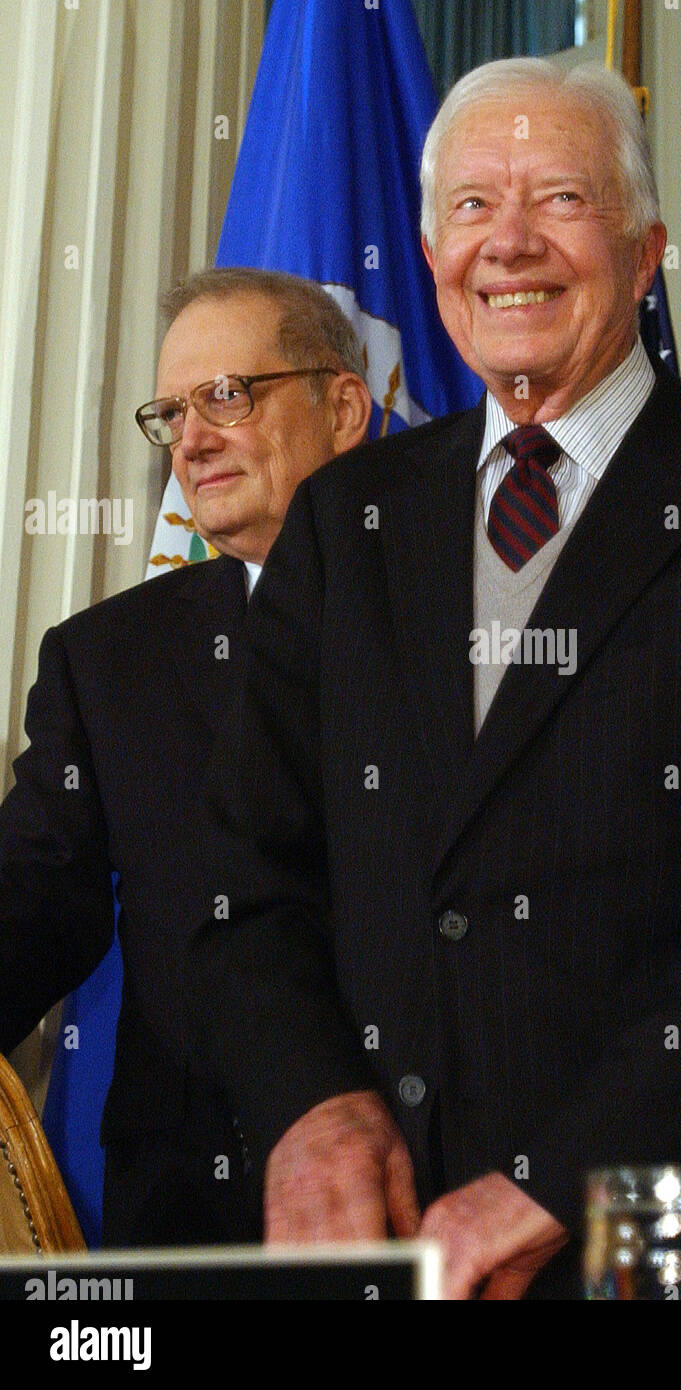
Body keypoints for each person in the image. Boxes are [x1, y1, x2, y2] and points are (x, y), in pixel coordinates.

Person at [194, 60, 681, 1299]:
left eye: (559, 198)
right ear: (428, 255)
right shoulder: (341, 520)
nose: (509, 242)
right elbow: (244, 874)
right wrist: (311, 1103)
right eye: (472, 206)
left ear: (645, 252)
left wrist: (557, 1178)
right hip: (398, 1234)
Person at [0, 267, 371, 1245]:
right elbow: (33, 894)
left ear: (342, 406)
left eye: (227, 396)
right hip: (187, 1209)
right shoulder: (104, 659)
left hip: (415, 1180)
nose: (193, 439)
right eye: (170, 413)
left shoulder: (461, 627)